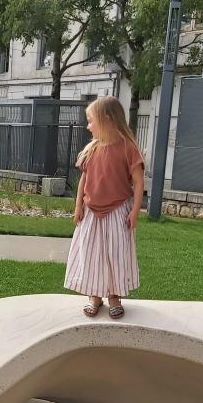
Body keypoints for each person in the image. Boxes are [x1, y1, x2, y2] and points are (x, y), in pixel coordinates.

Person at [64, 96, 145, 319]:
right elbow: (84, 179)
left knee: (115, 255)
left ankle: (114, 296)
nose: (88, 126)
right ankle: (95, 296)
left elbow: (138, 182)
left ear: (107, 119)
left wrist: (135, 211)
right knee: (93, 254)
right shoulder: (91, 149)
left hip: (117, 211)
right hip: (91, 212)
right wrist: (78, 206)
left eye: (91, 121)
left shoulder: (128, 148)